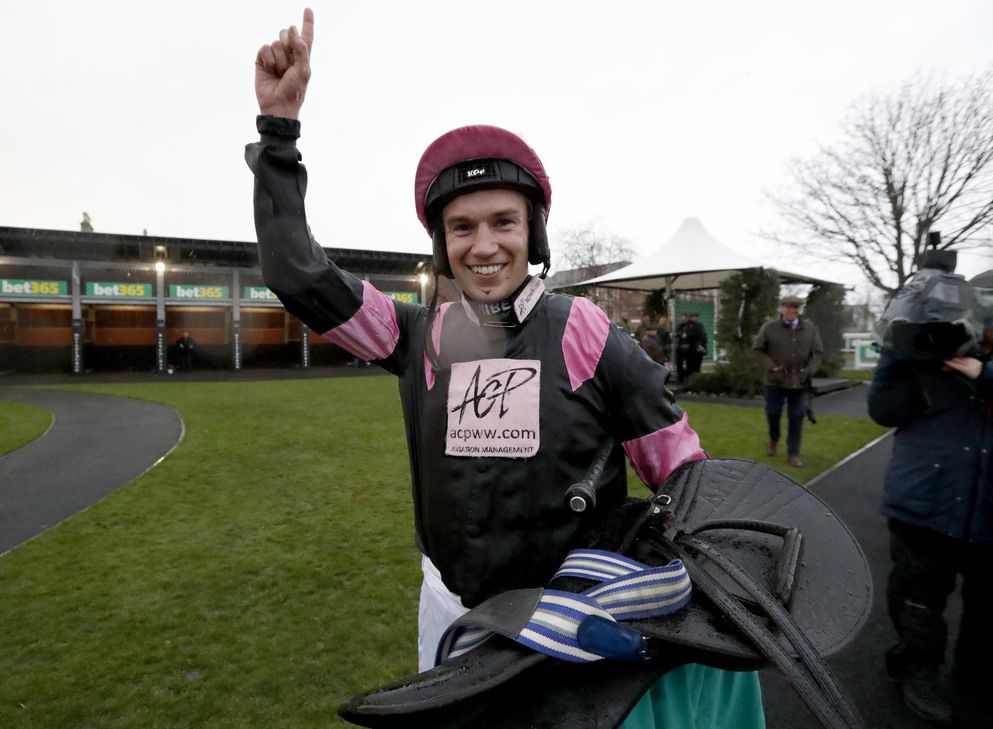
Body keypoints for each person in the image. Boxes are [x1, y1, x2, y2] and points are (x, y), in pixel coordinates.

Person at [247, 9, 764, 728]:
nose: (483, 244)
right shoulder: (413, 334)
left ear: (533, 234)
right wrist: (279, 132)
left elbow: (685, 477)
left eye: (503, 222)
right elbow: (297, 271)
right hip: (453, 614)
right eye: (462, 226)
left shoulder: (587, 331)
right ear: (441, 243)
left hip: (569, 630)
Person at [867, 271, 993, 727]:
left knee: (989, 607)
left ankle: (975, 675)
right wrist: (897, 353)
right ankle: (916, 670)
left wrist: (986, 375)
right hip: (924, 504)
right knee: (918, 598)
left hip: (991, 510)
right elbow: (884, 412)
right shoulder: (929, 345)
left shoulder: (988, 365)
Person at [751, 295, 823, 467]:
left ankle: (793, 453)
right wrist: (771, 366)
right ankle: (774, 439)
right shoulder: (769, 327)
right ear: (781, 309)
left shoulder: (810, 328)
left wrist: (810, 370)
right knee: (773, 413)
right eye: (788, 307)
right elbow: (758, 350)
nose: (792, 310)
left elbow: (818, 353)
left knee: (796, 416)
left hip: (800, 382)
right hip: (775, 381)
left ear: (799, 310)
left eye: (795, 307)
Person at [683, 312, 708, 378]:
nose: (696, 318)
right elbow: (689, 335)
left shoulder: (700, 325)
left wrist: (703, 345)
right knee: (691, 366)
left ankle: (696, 378)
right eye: (694, 317)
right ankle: (690, 379)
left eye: (697, 317)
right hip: (692, 349)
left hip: (699, 348)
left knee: (697, 365)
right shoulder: (689, 325)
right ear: (691, 317)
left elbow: (703, 336)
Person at [674, 312, 690, 382]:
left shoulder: (690, 326)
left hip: (688, 348)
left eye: (684, 318)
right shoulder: (679, 326)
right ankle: (680, 379)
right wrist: (681, 334)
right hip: (680, 348)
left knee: (689, 364)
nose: (683, 320)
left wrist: (687, 335)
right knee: (679, 364)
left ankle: (688, 378)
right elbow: (676, 334)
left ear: (687, 318)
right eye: (682, 318)